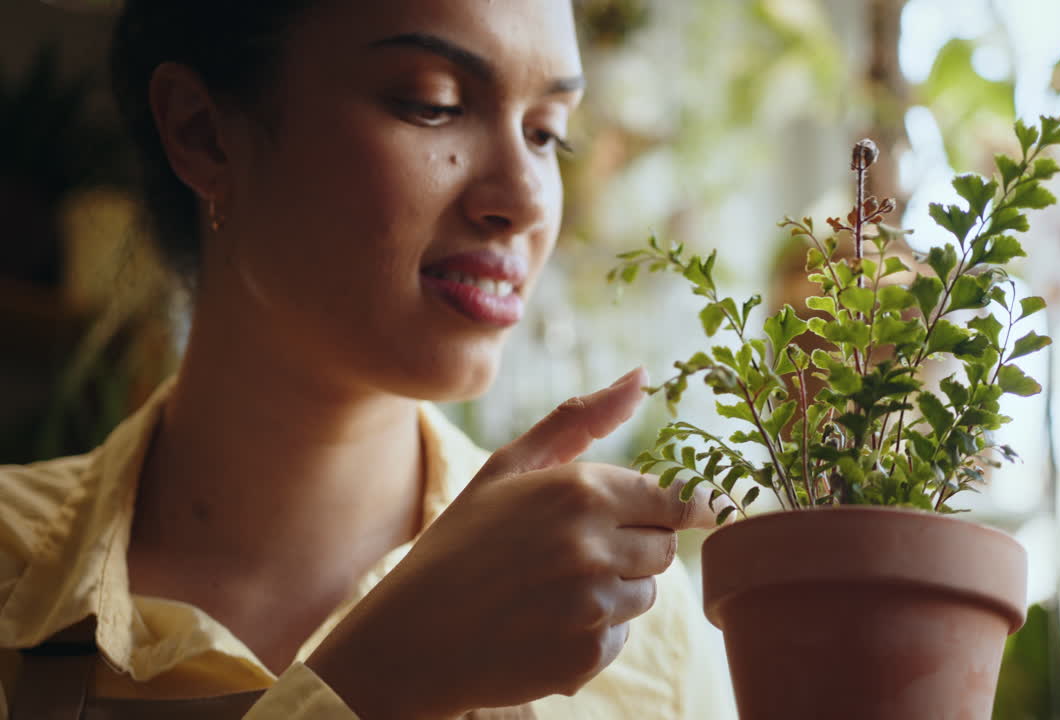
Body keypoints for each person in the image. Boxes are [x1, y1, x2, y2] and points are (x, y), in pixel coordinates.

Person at [0, 1, 734, 717]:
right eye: (432, 104)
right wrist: (380, 681)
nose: (524, 198)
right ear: (204, 134)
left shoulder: (638, 641)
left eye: (547, 134)